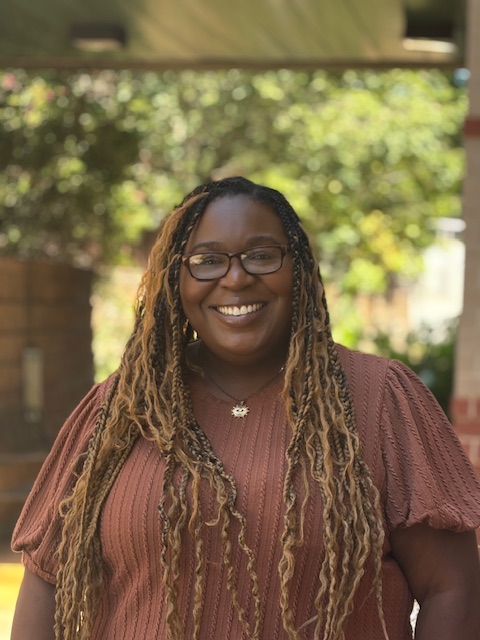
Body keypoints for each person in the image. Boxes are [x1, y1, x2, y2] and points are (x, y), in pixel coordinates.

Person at [10, 176, 480, 640]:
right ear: (176, 279)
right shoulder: (120, 408)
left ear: (298, 268)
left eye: (261, 255)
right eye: (208, 261)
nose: (236, 278)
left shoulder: (381, 399)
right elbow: (46, 582)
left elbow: (452, 589)